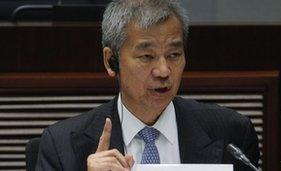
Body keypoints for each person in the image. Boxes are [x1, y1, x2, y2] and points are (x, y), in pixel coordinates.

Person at [35, 0, 260, 170]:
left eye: (174, 54)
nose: (163, 71)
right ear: (111, 61)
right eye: (146, 56)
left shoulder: (232, 134)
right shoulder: (62, 147)